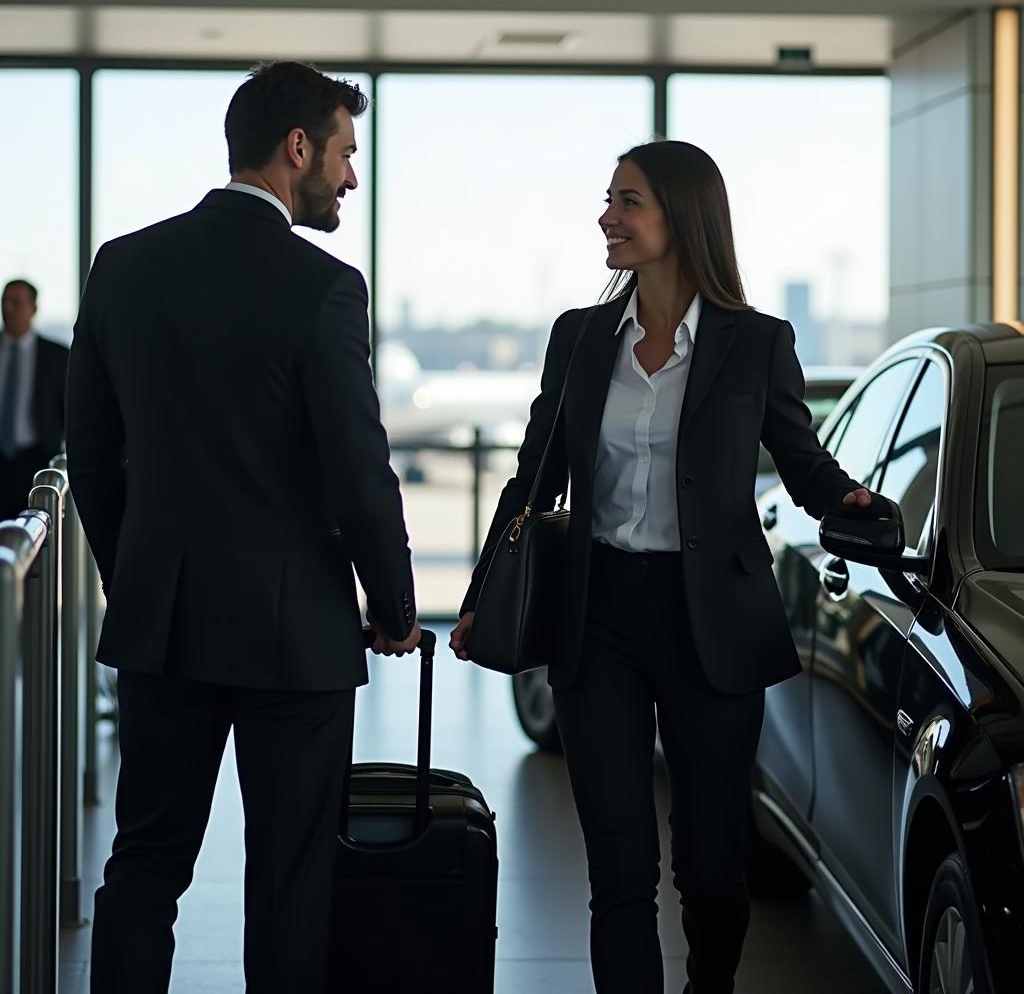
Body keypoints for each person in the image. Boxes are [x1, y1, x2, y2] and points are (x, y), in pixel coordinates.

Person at [450, 140, 882, 994]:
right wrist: (478, 601)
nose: (607, 217)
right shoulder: (579, 338)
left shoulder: (756, 343)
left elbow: (804, 466)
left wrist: (857, 505)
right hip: (597, 614)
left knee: (714, 868)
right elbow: (535, 474)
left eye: (628, 201)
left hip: (710, 622)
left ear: (682, 217)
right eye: (609, 199)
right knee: (618, 869)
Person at [67, 61, 420, 994]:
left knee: (143, 866)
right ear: (296, 148)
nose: (351, 177)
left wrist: (138, 572)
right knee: (292, 880)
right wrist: (393, 606)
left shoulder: (124, 264)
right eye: (345, 153)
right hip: (293, 634)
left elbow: (92, 460)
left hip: (165, 621)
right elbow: (358, 467)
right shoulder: (325, 287)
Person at [0, 279, 69, 518]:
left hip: (36, 461)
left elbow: (68, 411)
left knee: (34, 535)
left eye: (16, 302)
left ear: (33, 309)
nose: (8, 308)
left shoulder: (57, 356)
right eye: (4, 301)